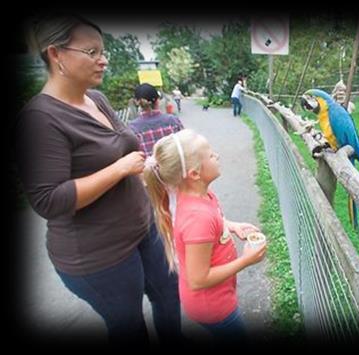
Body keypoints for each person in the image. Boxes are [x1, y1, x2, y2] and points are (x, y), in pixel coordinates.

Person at [15, 14, 183, 346]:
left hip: (143, 230)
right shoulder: (40, 119)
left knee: (170, 297)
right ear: (56, 54)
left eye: (102, 51)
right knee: (130, 328)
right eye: (92, 52)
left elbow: (127, 151)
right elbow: (49, 200)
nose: (103, 59)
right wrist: (119, 169)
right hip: (98, 256)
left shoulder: (97, 99)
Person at [143, 129, 267, 344]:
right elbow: (198, 279)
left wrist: (232, 225)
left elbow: (215, 220)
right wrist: (246, 260)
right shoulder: (197, 218)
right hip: (213, 306)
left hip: (217, 296)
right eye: (210, 155)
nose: (216, 155)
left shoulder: (202, 195)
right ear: (194, 174)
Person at [129, 83, 184, 157]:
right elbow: (185, 145)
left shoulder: (133, 128)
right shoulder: (173, 121)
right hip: (174, 166)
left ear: (137, 102)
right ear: (158, 100)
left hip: (149, 167)